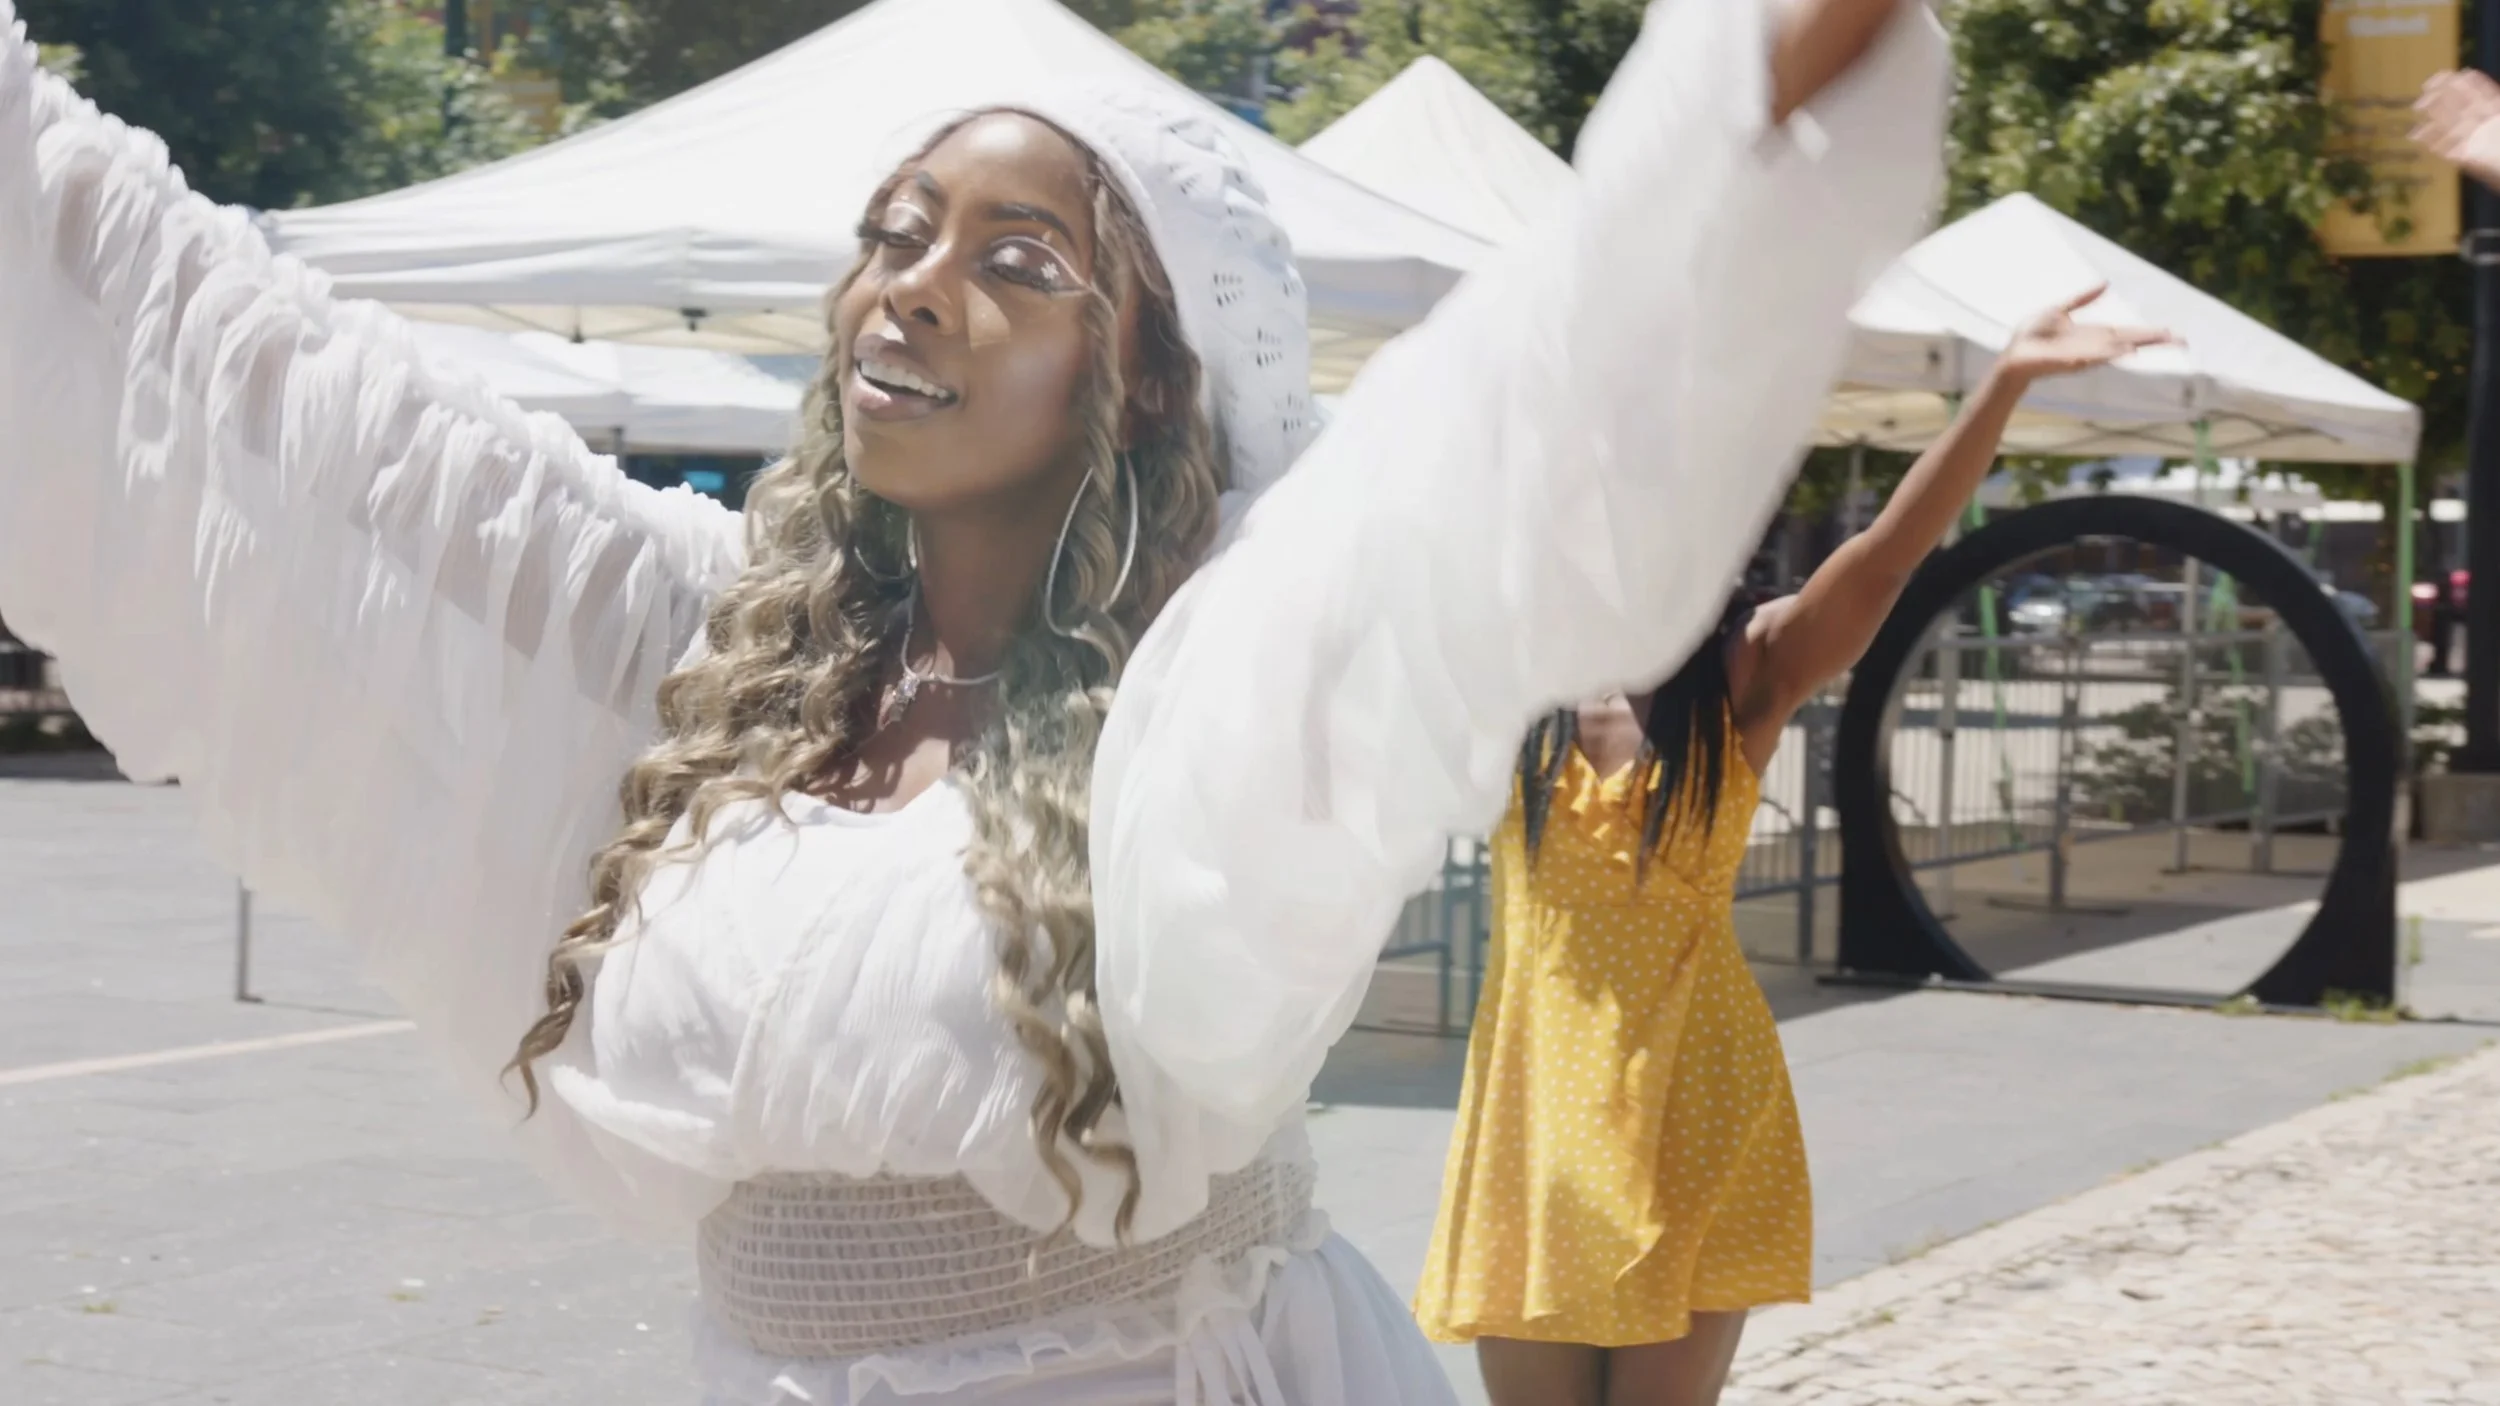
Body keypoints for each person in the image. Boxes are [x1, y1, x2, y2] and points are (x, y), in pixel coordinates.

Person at [0, 0, 1949, 1401]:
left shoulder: (1229, 698)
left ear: (1152, 383)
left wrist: (1751, 93)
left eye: (1012, 259)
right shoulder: (693, 660)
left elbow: (1499, 439)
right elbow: (233, 390)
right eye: (895, 236)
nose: (911, 290)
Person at [1413, 291, 2175, 1406]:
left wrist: (2000, 387)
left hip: (1694, 1100)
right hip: (1533, 1120)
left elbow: (1884, 556)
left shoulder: (1745, 669)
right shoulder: (1513, 682)